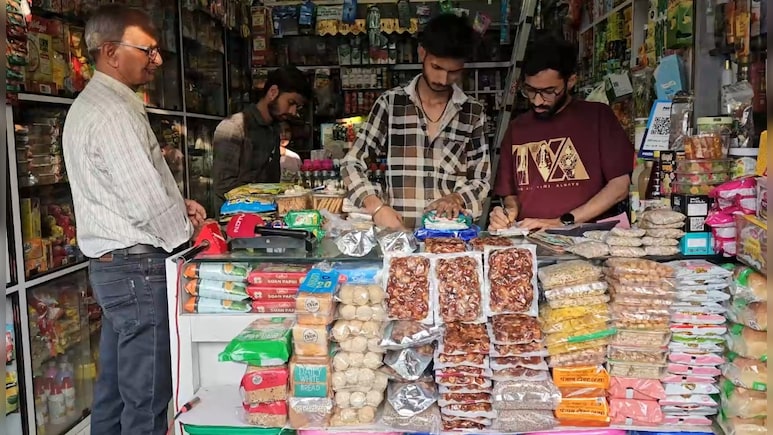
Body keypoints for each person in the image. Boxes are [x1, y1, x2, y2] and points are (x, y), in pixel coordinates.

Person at [60, 5, 207, 435]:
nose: (157, 60)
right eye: (149, 50)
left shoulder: (101, 105)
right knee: (146, 395)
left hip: (118, 268)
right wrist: (186, 240)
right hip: (137, 269)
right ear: (110, 51)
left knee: (116, 391)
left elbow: (125, 186)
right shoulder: (112, 113)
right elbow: (143, 200)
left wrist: (178, 204)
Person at [341, 13, 491, 230]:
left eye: (453, 72)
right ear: (422, 53)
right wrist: (376, 207)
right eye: (437, 68)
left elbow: (481, 179)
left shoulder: (472, 112)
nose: (443, 80)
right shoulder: (390, 104)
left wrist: (457, 198)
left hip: (450, 237)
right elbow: (351, 163)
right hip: (399, 235)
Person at [488, 33, 633, 232]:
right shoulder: (517, 128)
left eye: (549, 91)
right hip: (530, 240)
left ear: (571, 81)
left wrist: (562, 221)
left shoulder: (597, 117)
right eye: (530, 90)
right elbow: (510, 194)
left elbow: (619, 186)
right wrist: (508, 213)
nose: (537, 101)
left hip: (586, 243)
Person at [212, 66, 312, 212]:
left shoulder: (274, 129)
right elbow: (223, 188)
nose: (293, 112)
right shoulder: (233, 128)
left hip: (266, 219)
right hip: (236, 222)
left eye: (297, 107)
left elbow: (272, 182)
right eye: (291, 103)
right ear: (273, 92)